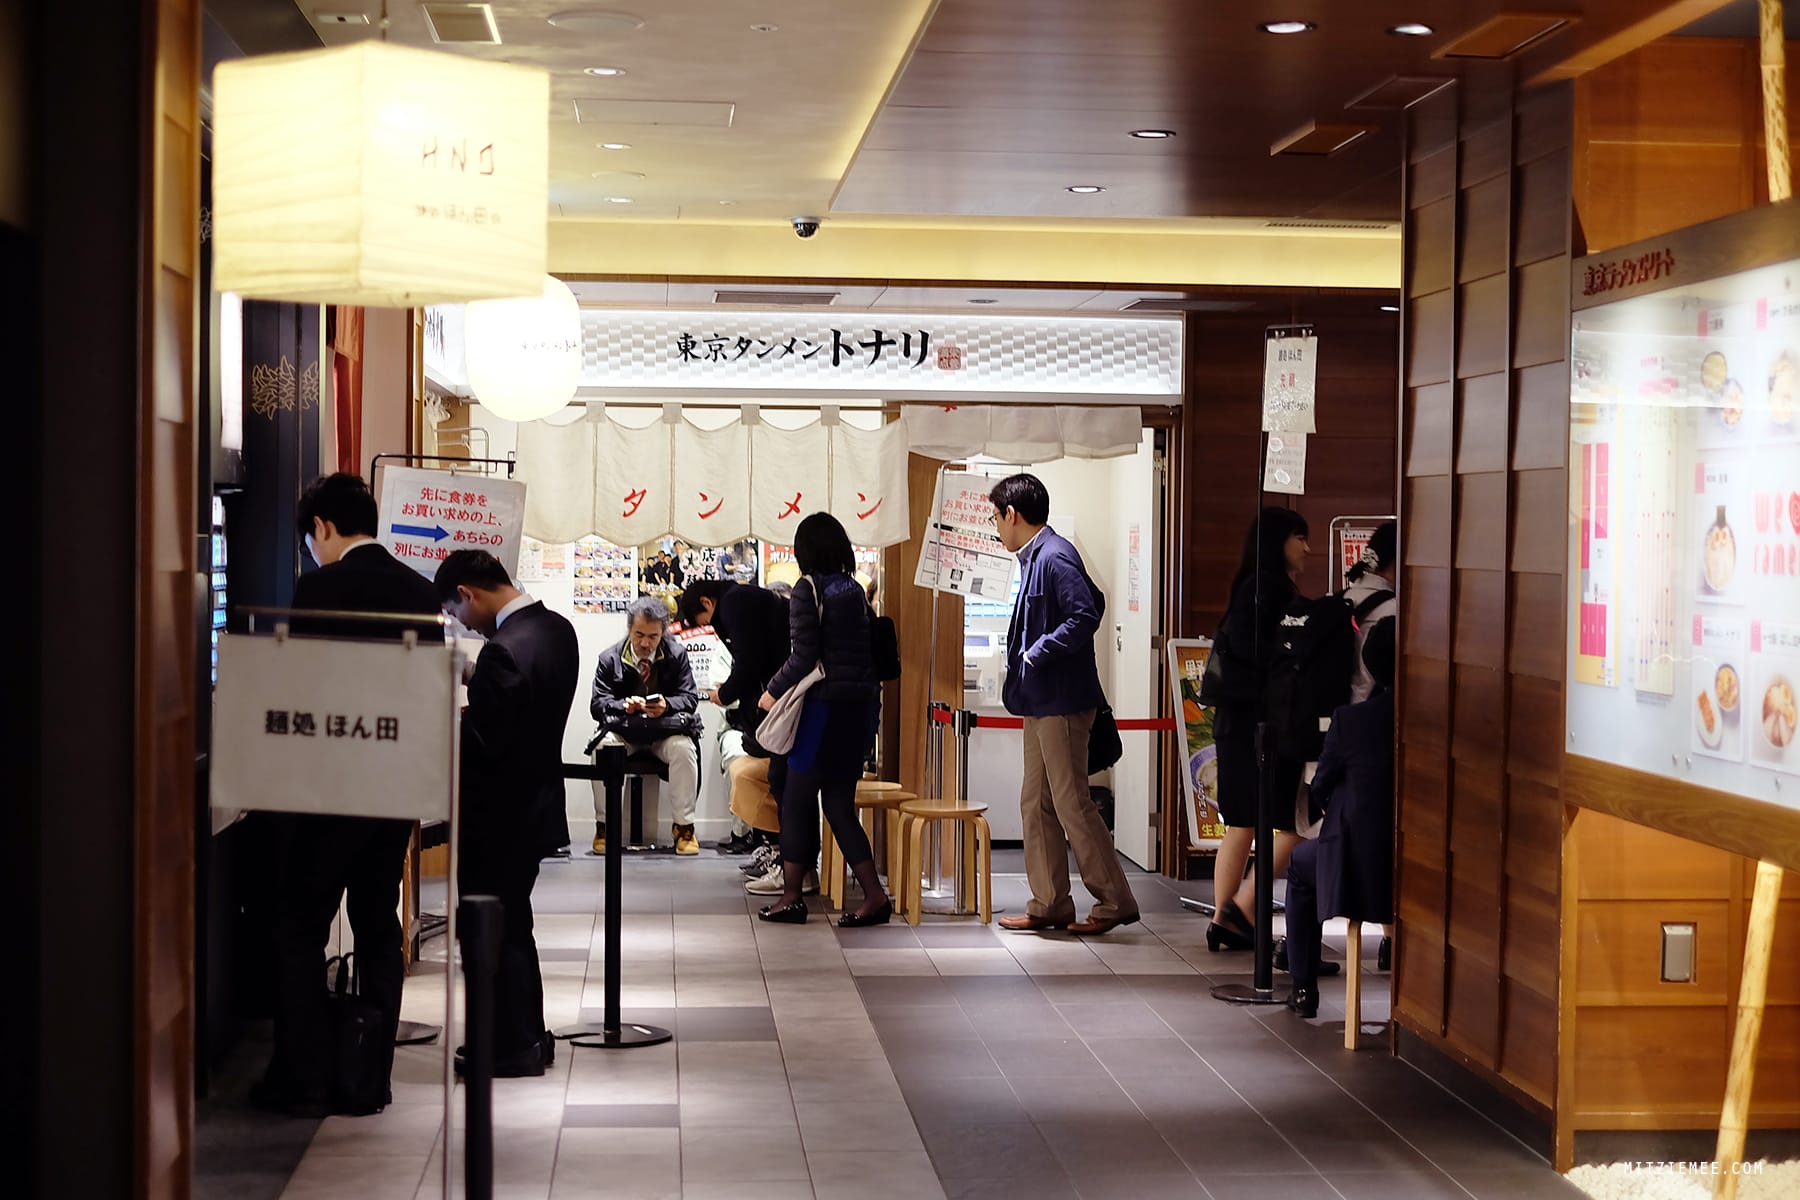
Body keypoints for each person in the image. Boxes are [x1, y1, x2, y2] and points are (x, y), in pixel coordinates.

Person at [255, 473, 442, 1117]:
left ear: (323, 527)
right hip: (393, 789)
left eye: (311, 537)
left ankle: (305, 1079)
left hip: (329, 791)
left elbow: (302, 690)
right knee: (377, 925)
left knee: (301, 928)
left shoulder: (320, 587)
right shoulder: (420, 590)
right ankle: (368, 1080)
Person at [437, 550, 579, 1077]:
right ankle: (527, 1036)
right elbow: (525, 706)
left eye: (455, 611)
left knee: (491, 930)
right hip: (536, 805)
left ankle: (505, 1045)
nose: (461, 623)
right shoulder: (557, 630)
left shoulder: (502, 650)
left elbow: (487, 741)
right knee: (516, 923)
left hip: (496, 814)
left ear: (468, 593)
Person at [987, 474, 1140, 936]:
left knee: (1072, 802)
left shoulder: (1053, 555)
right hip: (1040, 701)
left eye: (997, 518)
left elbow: (1086, 613)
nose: (997, 527)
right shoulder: (1040, 556)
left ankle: (1115, 900)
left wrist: (1041, 650)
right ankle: (1050, 902)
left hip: (1062, 701)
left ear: (1012, 514)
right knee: (1035, 802)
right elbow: (1096, 599)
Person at [755, 513, 892, 926]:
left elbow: (803, 656)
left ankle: (792, 897)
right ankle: (874, 896)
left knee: (796, 799)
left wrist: (771, 692)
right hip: (861, 708)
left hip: (824, 708)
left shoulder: (807, 589)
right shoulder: (854, 589)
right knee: (837, 803)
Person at [1207, 507, 1310, 952]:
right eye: (1299, 537)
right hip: (1257, 725)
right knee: (1294, 821)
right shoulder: (1268, 590)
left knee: (1242, 823)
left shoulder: (1250, 585)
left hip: (1237, 723)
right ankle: (1238, 912)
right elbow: (1269, 659)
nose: (1307, 547)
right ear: (1277, 541)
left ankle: (1225, 920)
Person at [1283, 619, 1396, 1018]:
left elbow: (1321, 786)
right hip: (1422, 866)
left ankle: (1303, 987)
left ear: (1370, 666)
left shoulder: (1351, 721)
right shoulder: (1434, 721)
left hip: (1358, 867)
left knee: (1299, 867)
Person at [678, 579, 791, 858]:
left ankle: (786, 859)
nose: (711, 626)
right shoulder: (743, 597)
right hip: (780, 699)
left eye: (704, 620)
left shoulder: (732, 604)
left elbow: (748, 664)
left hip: (778, 702)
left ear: (706, 602)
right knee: (777, 780)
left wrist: (724, 694)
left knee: (780, 782)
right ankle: (780, 855)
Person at [590, 595, 702, 855]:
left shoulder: (676, 655)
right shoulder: (609, 658)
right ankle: (605, 827)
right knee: (602, 747)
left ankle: (684, 828)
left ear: (663, 632)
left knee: (684, 749)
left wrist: (667, 705)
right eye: (639, 634)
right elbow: (597, 704)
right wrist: (623, 706)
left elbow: (690, 698)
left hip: (664, 732)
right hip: (624, 732)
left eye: (653, 636)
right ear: (629, 628)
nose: (644, 643)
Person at [1340, 519, 1398, 969]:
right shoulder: (1393, 608)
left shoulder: (1346, 596)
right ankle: (1391, 937)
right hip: (1381, 727)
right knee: (1386, 835)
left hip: (1341, 727)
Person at [1342, 521, 1399, 705]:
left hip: (1338, 709)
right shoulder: (1392, 609)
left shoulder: (1344, 597)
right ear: (1396, 561)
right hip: (1368, 706)